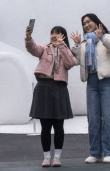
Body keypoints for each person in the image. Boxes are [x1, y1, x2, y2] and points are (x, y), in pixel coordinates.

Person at [71, 14, 110, 164]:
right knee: (93, 119)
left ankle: (109, 152)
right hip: (92, 82)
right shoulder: (85, 43)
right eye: (84, 23)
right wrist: (76, 45)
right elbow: (78, 61)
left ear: (96, 22)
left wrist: (102, 38)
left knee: (108, 118)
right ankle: (95, 153)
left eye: (89, 21)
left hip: (108, 81)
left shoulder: (107, 36)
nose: (86, 25)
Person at [26, 25, 79, 168]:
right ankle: (46, 157)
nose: (54, 35)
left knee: (59, 126)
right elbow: (33, 49)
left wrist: (62, 46)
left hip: (59, 88)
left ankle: (57, 157)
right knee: (45, 126)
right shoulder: (44, 48)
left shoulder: (65, 50)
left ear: (63, 36)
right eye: (52, 33)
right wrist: (29, 38)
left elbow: (71, 62)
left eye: (57, 33)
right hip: (43, 87)